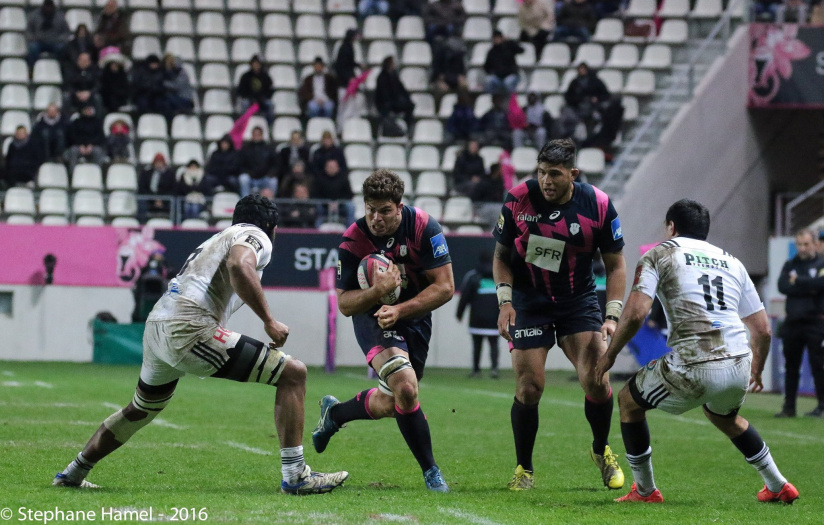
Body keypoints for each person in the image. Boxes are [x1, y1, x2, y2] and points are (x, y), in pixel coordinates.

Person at [53, 195, 350, 494]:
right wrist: (269, 321)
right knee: (293, 374)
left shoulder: (220, 237)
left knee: (140, 409)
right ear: (272, 227)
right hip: (189, 327)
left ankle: (73, 472)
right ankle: (296, 476)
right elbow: (239, 265)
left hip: (158, 323)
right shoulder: (256, 234)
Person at [594, 199, 799, 504]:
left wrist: (609, 355)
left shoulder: (659, 254)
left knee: (628, 402)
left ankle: (645, 491)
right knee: (725, 417)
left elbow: (636, 313)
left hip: (695, 360)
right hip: (739, 362)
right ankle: (778, 483)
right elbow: (763, 330)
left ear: (671, 227)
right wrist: (756, 370)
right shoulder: (733, 262)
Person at [493, 138, 626, 491]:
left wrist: (612, 315)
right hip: (529, 301)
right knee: (529, 386)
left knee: (596, 380)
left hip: (577, 300)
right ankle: (524, 469)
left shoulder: (598, 204)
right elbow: (501, 256)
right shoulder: (518, 199)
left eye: (554, 173)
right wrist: (505, 302)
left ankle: (601, 450)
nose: (546, 180)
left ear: (573, 174)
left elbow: (616, 265)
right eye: (541, 172)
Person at [311, 169, 454, 492]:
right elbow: (345, 303)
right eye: (370, 209)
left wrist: (400, 309)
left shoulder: (424, 227)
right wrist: (378, 292)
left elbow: (445, 287)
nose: (376, 218)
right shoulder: (353, 240)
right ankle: (431, 472)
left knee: (394, 402)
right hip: (372, 316)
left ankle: (335, 414)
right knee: (406, 387)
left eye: (385, 211)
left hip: (414, 316)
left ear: (400, 207)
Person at [775, 229, 824, 417]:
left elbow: (821, 284)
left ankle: (821, 406)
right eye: (799, 244)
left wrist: (798, 282)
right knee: (791, 367)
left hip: (815, 322)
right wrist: (809, 285)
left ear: (814, 244)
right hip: (793, 322)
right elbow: (782, 286)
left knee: (818, 365)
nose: (802, 248)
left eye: (806, 244)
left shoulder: (821, 263)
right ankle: (789, 407)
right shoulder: (790, 264)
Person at [457, 251, 501, 378]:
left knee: (477, 345)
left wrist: (459, 314)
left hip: (477, 317)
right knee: (494, 344)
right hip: (494, 317)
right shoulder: (498, 275)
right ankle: (494, 369)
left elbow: (464, 297)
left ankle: (476, 370)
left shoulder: (472, 276)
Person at [375, 56, 415, 133]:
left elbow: (402, 89)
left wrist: (407, 99)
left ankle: (408, 126)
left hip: (394, 101)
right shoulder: (381, 77)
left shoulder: (394, 76)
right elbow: (383, 94)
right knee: (386, 108)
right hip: (384, 103)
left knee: (409, 105)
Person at [63, 104, 108, 173]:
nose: (88, 111)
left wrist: (91, 145)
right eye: (86, 109)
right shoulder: (76, 122)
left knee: (98, 151)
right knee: (73, 150)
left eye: (90, 109)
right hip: (78, 146)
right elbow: (72, 136)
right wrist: (80, 145)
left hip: (93, 146)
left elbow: (100, 136)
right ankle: (72, 173)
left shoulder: (97, 122)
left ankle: (98, 173)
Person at [25, 0, 71, 68]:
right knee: (32, 48)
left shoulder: (60, 16)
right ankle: (32, 68)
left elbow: (66, 32)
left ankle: (61, 68)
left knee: (62, 48)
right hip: (38, 42)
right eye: (47, 7)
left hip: (55, 42)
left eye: (50, 7)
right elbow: (29, 31)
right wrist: (35, 38)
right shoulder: (34, 15)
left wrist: (58, 39)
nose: (48, 9)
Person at [239, 126, 279, 197]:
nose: (256, 136)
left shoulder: (269, 148)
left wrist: (269, 174)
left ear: (262, 135)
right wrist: (248, 173)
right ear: (252, 135)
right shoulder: (246, 149)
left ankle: (271, 201)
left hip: (265, 178)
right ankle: (245, 200)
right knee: (243, 178)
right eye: (255, 134)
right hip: (250, 178)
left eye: (258, 134)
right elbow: (240, 164)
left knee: (273, 181)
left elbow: (275, 164)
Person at [237, 55, 276, 126]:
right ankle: (243, 124)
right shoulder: (246, 76)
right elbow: (241, 90)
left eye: (258, 64)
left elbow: (270, 90)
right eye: (254, 63)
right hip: (249, 99)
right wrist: (250, 98)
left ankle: (269, 126)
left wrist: (263, 98)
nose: (256, 65)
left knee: (270, 105)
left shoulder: (265, 77)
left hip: (262, 100)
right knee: (244, 103)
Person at [484, 31, 523, 95]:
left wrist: (510, 42)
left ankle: (512, 99)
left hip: (511, 75)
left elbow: (521, 50)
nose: (497, 40)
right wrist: (493, 72)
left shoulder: (509, 47)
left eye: (498, 37)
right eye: (495, 38)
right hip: (498, 77)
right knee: (488, 80)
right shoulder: (491, 52)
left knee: (508, 82)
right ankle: (493, 99)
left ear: (502, 38)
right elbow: (486, 67)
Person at [138, 153, 176, 217]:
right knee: (141, 202)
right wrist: (153, 199)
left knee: (174, 202)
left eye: (160, 162)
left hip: (165, 200)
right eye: (157, 162)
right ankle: (142, 222)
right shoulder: (146, 174)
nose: (158, 164)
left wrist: (162, 200)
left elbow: (173, 189)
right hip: (149, 199)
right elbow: (142, 188)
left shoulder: (170, 175)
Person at [162, 54, 195, 121]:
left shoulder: (182, 74)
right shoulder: (171, 74)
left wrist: (163, 83)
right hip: (178, 99)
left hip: (185, 101)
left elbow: (177, 86)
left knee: (167, 96)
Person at [98, 49, 131, 113]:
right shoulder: (105, 75)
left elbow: (126, 88)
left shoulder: (123, 75)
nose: (114, 66)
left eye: (116, 65)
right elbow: (104, 88)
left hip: (121, 98)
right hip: (108, 98)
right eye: (112, 65)